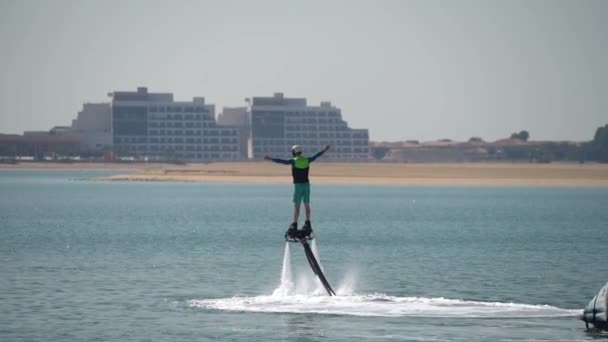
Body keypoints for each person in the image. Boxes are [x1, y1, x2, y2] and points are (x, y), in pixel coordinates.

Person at [264, 144, 330, 238]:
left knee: (297, 206)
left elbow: (282, 161)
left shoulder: (294, 161)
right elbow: (317, 155)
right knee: (307, 204)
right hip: (307, 185)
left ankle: (295, 223)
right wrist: (325, 149)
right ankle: (308, 222)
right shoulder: (307, 160)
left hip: (298, 186)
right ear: (301, 152)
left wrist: (271, 159)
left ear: (293, 152)